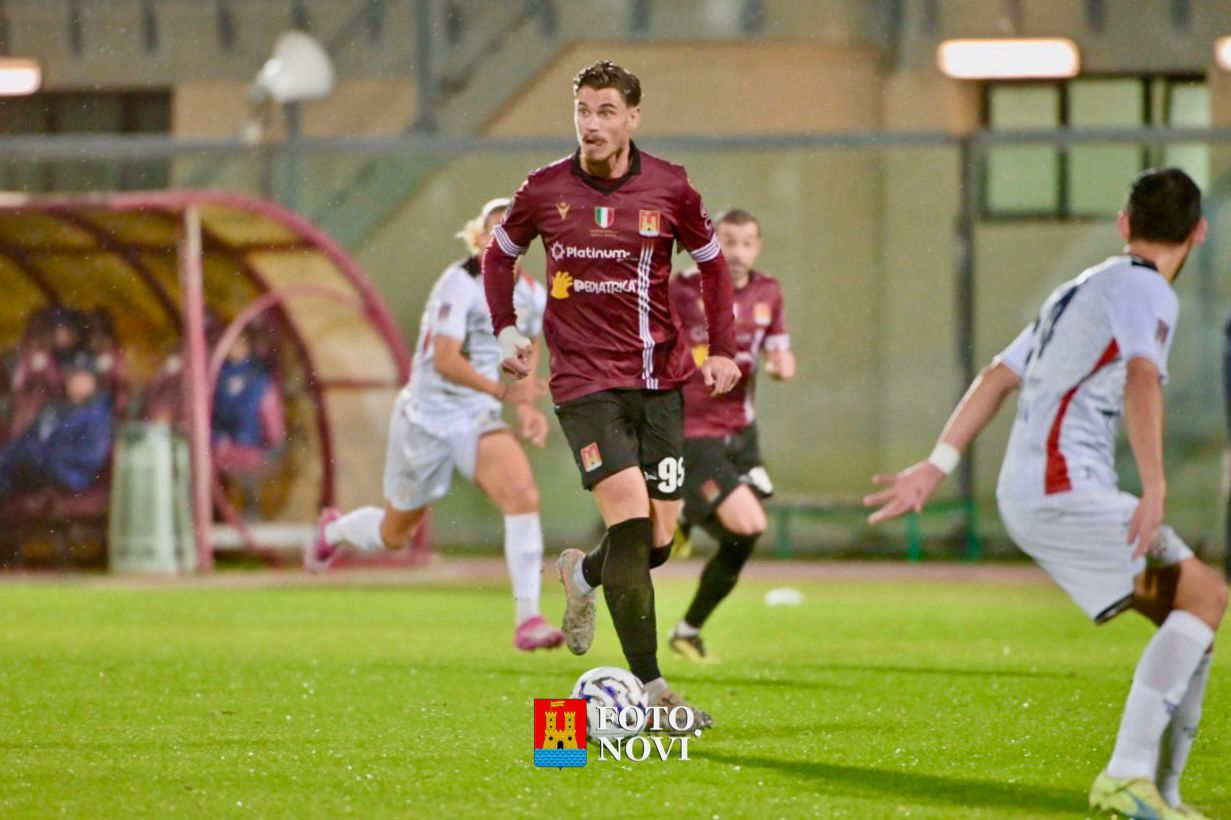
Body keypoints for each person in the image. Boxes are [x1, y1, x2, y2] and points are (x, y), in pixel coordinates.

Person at [864, 168, 1226, 819]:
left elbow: (995, 376)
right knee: (1204, 598)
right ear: (1198, 233)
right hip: (1064, 489)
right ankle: (1127, 777)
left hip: (1033, 490)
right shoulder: (1146, 289)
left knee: (1193, 608)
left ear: (1124, 224)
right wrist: (1154, 486)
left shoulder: (1077, 289)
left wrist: (936, 465)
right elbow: (1142, 378)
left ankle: (1162, 794)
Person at [482, 60, 741, 729]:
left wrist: (724, 349)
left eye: (605, 112)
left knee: (657, 542)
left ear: (632, 118)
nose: (591, 124)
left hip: (660, 382)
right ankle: (652, 690)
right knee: (627, 519)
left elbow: (713, 267)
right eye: (582, 110)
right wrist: (505, 328)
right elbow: (499, 255)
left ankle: (584, 576)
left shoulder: (671, 187)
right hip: (584, 384)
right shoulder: (543, 189)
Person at [305, 197, 563, 653]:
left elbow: (529, 343)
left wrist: (524, 404)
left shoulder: (532, 294)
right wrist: (503, 392)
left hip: (475, 417)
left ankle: (529, 619)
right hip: (425, 418)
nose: (502, 238)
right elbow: (444, 359)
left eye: (512, 231)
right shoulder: (458, 284)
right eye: (493, 229)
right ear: (478, 237)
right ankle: (335, 531)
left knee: (522, 494)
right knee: (394, 535)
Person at [666, 208, 795, 661]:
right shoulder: (679, 288)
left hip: (742, 433)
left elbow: (780, 351)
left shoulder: (768, 291)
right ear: (709, 242)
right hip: (693, 431)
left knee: (744, 537)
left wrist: (782, 366)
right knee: (749, 522)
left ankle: (687, 630)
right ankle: (677, 511)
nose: (737, 253)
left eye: (746, 243)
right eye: (728, 241)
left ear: (758, 247)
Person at [0, 352, 113, 496]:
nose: (76, 382)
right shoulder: (55, 407)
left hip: (68, 476)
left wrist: (45, 456)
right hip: (40, 466)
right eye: (72, 376)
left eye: (83, 377)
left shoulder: (98, 415)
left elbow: (91, 458)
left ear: (94, 382)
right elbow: (29, 437)